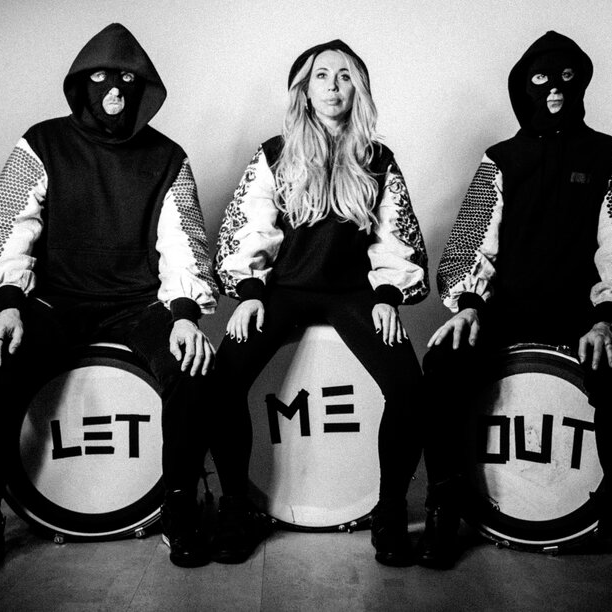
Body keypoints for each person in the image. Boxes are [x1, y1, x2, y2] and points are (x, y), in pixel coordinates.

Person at [0, 23, 218, 582]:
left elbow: (181, 241)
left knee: (191, 369)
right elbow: (10, 225)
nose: (114, 92)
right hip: (54, 301)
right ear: (81, 85)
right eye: (100, 79)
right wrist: (7, 306)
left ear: (143, 87)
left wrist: (186, 315)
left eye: (125, 80)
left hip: (139, 303)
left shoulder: (167, 157)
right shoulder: (42, 143)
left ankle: (180, 506)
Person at [420, 30, 612, 593]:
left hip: (580, 314)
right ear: (522, 89)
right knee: (443, 371)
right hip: (504, 310)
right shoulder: (502, 159)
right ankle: (444, 511)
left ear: (581, 83)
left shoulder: (610, 155)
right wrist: (469, 304)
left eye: (566, 78)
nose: (554, 90)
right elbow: (473, 240)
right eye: (541, 80)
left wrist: (607, 317)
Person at [208, 40, 429, 566]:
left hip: (352, 293)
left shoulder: (377, 159)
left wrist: (387, 295)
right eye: (321, 76)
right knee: (222, 380)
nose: (332, 86)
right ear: (304, 91)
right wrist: (250, 292)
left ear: (359, 89)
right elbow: (252, 224)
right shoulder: (275, 153)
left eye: (345, 76)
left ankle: (390, 510)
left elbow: (391, 237)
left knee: (408, 385)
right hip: (284, 289)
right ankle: (235, 506)